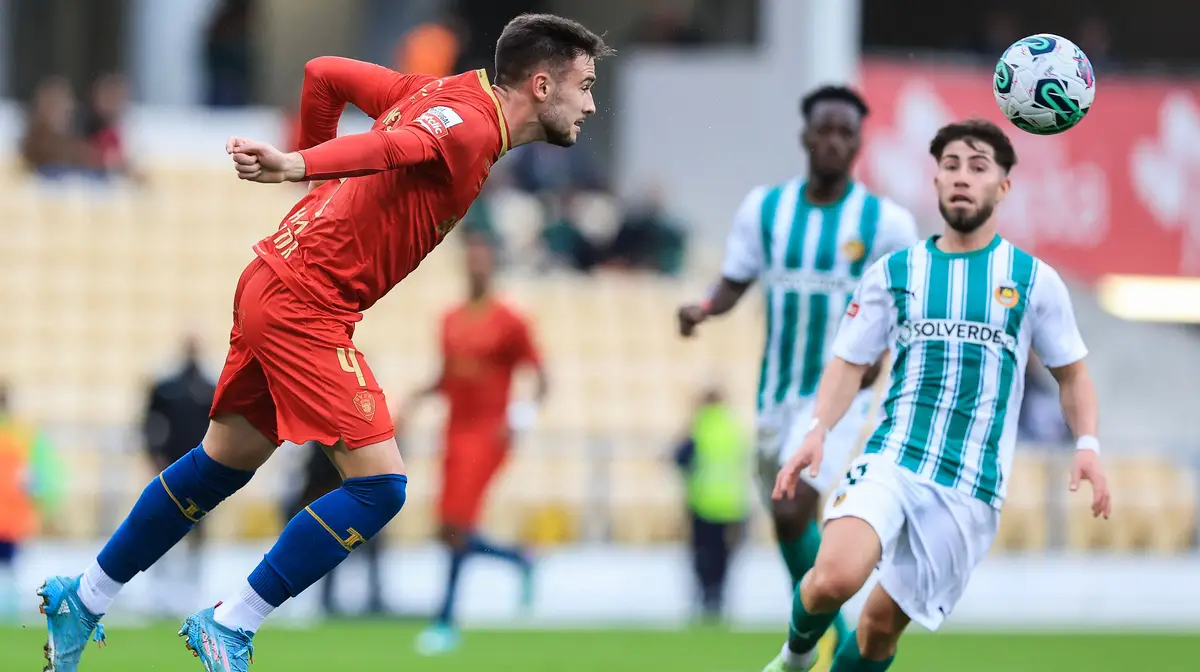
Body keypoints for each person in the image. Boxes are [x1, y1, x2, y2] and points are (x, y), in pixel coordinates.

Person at [38, 13, 613, 672]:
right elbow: (390, 150)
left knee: (224, 461)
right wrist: (297, 166)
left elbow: (324, 76)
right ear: (542, 85)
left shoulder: (437, 94)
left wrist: (311, 190)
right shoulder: (471, 124)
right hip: (304, 305)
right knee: (382, 487)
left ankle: (83, 598)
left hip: (271, 279)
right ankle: (232, 622)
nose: (591, 103)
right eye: (585, 85)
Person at [762, 119, 1112, 672]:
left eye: (978, 167)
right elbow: (849, 362)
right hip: (893, 457)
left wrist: (1087, 443)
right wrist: (817, 431)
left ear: (1003, 186)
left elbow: (1073, 374)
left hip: (970, 486)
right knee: (833, 578)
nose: (962, 178)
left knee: (878, 630)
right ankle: (794, 657)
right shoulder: (895, 271)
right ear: (936, 182)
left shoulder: (1033, 280)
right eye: (951, 166)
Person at [677, 85, 919, 654]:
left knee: (791, 509)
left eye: (846, 133)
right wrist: (704, 308)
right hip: (774, 395)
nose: (834, 141)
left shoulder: (885, 223)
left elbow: (907, 307)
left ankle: (825, 642)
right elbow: (736, 279)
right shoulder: (766, 209)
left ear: (859, 144)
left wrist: (882, 359)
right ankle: (821, 629)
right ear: (806, 137)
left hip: (838, 396)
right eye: (825, 130)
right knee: (786, 521)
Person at [402, 235, 548, 655]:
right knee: (447, 529)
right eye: (472, 260)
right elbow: (448, 378)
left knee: (457, 526)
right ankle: (519, 559)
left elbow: (541, 377)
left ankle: (445, 620)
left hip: (488, 434)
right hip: (454, 431)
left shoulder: (510, 322)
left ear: (494, 267)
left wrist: (520, 418)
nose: (477, 267)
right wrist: (416, 399)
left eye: (484, 261)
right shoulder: (449, 320)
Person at [141, 336, 217, 617]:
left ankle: (191, 588)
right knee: (165, 526)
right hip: (174, 471)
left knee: (196, 530)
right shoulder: (167, 389)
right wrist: (154, 456)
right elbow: (149, 424)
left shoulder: (209, 388)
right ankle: (161, 590)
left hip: (203, 472)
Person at [672, 386, 751, 622]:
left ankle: (705, 599)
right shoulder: (734, 428)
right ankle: (718, 599)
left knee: (702, 555)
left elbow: (681, 458)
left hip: (703, 504)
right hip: (733, 505)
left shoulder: (699, 427)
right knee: (724, 556)